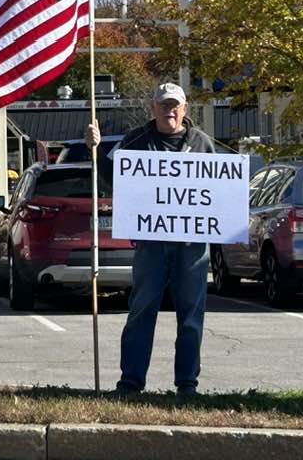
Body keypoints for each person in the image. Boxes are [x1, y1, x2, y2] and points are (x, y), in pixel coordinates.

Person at [85, 82, 215, 396]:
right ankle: (131, 382)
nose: (169, 109)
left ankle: (187, 384)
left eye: (175, 105)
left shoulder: (202, 142)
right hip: (150, 241)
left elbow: (218, 190)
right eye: (164, 104)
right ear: (153, 108)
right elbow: (114, 180)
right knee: (142, 309)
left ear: (184, 109)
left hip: (192, 244)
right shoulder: (136, 140)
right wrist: (96, 150)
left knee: (191, 315)